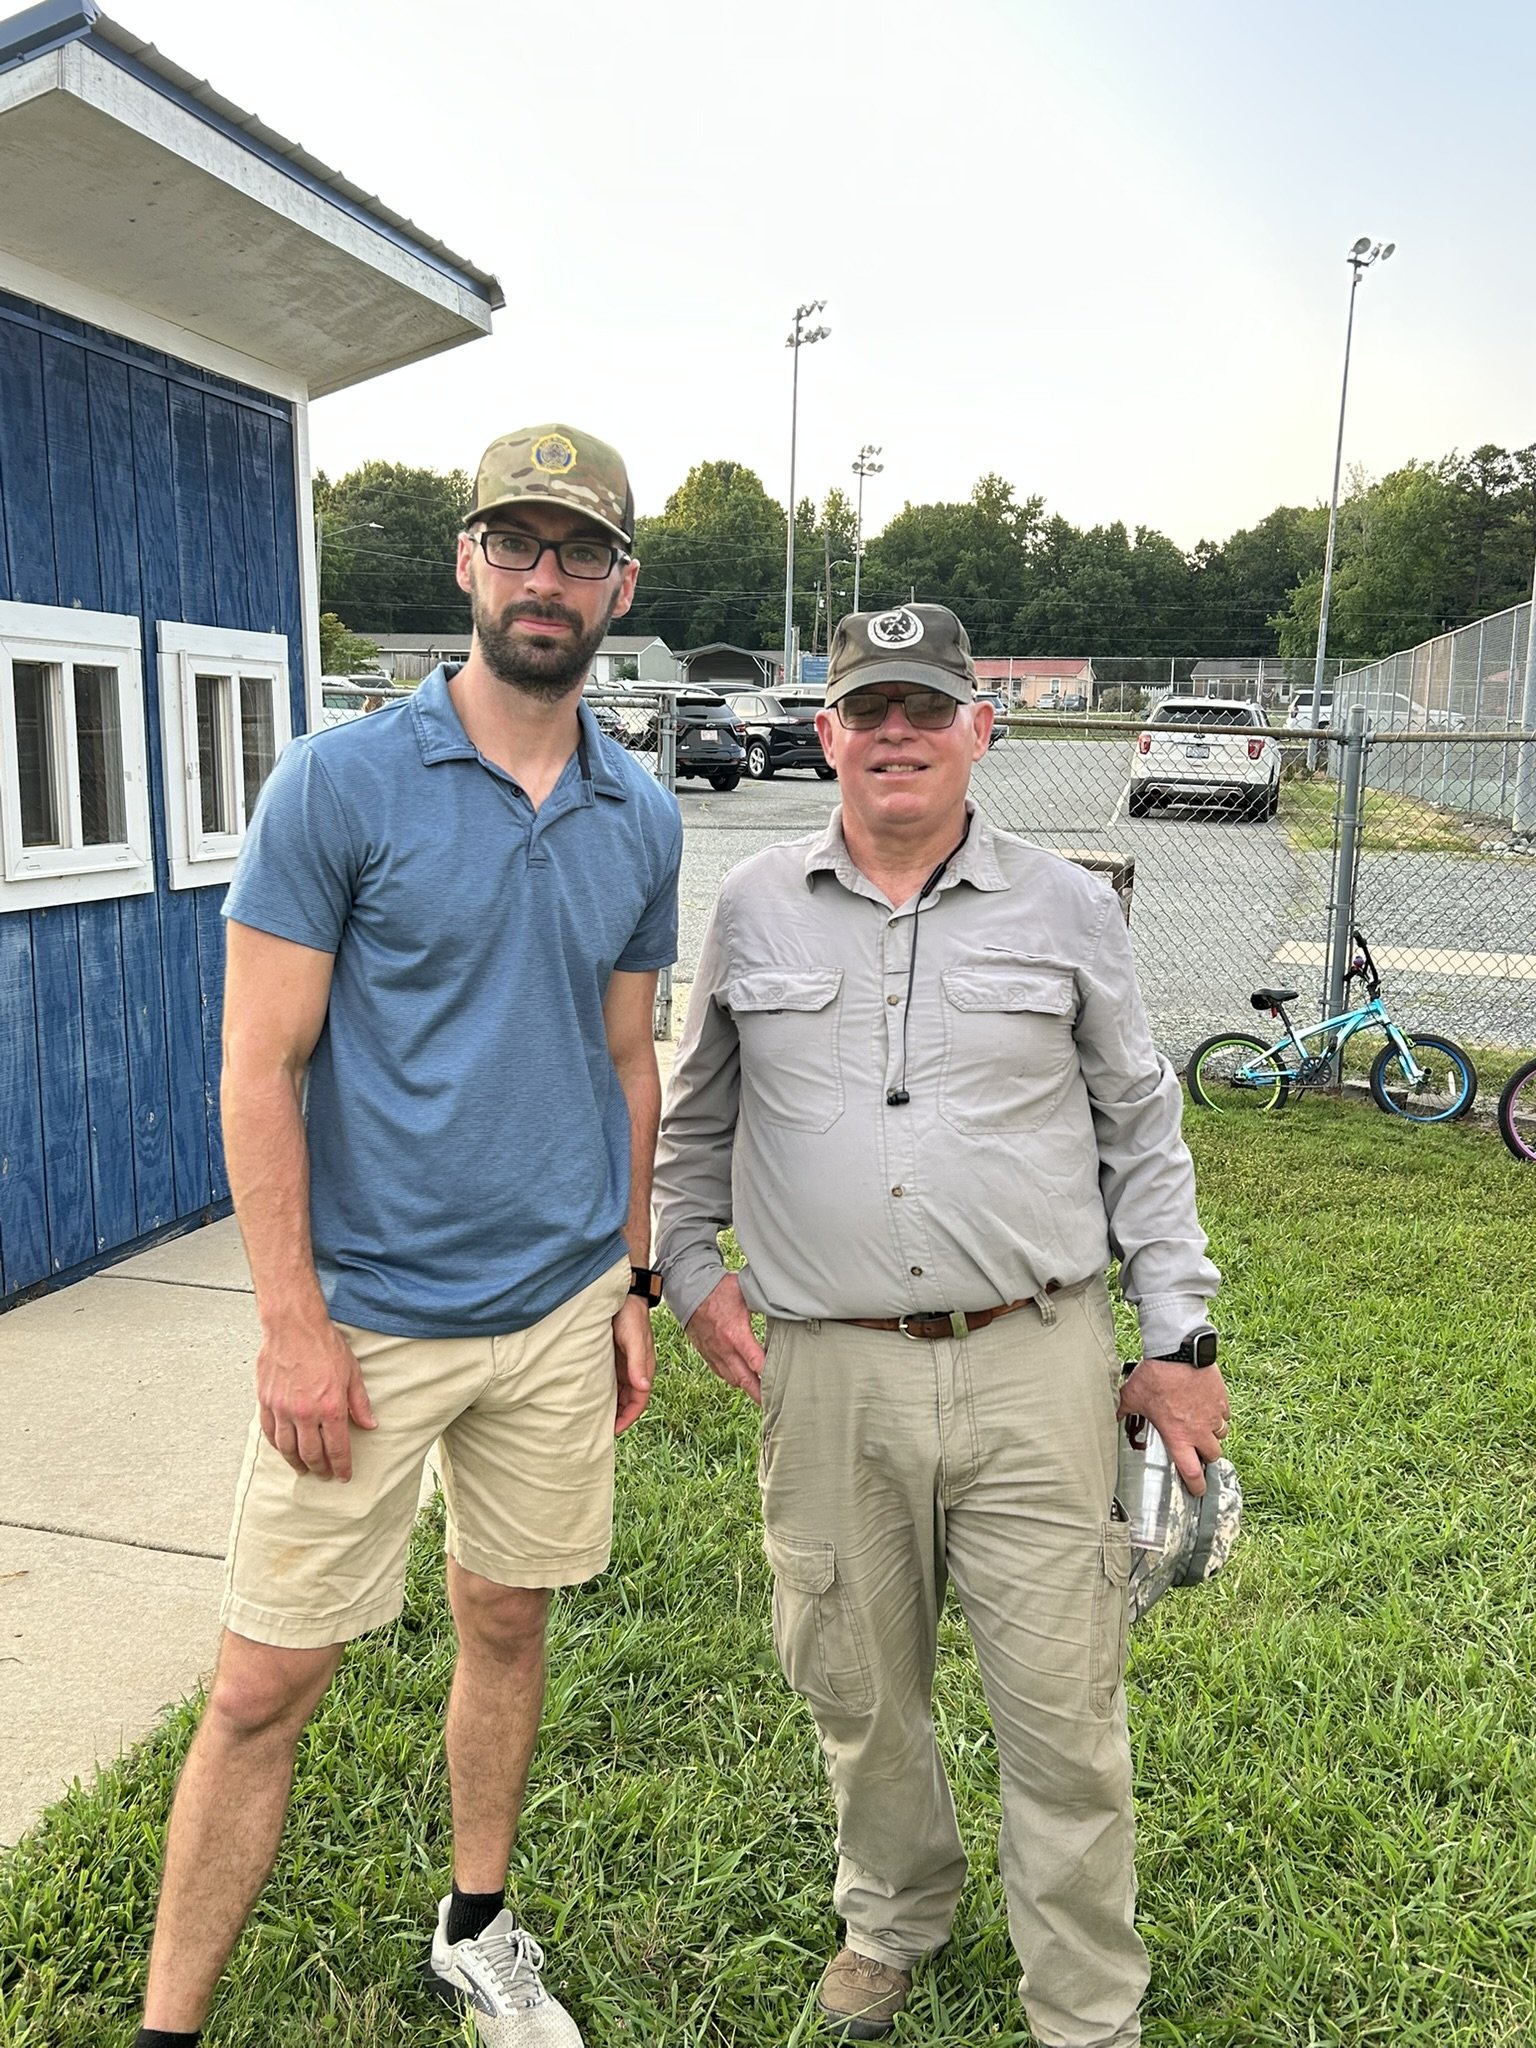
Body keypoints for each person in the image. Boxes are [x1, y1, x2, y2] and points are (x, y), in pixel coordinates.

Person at [134, 424, 682, 2048]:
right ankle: (169, 2025)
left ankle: (479, 1928)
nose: (544, 577)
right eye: (516, 543)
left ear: (618, 587)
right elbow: (258, 1062)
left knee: (507, 1617)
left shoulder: (638, 816)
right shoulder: (341, 782)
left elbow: (629, 1055)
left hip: (557, 1307)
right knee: (261, 1686)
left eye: (578, 552)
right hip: (367, 1322)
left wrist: (635, 1276)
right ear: (466, 562)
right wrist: (292, 1322)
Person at [653, 604, 1225, 2047]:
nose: (895, 732)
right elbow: (695, 1115)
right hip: (829, 1372)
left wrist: (1180, 1341)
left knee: (1063, 1712)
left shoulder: (1067, 907)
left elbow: (1141, 1128)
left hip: (1038, 1361)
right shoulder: (755, 904)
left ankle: (1085, 2007)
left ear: (982, 726)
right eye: (868, 709)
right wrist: (683, 1267)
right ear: (828, 732)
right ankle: (892, 1918)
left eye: (926, 707)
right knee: (856, 1683)